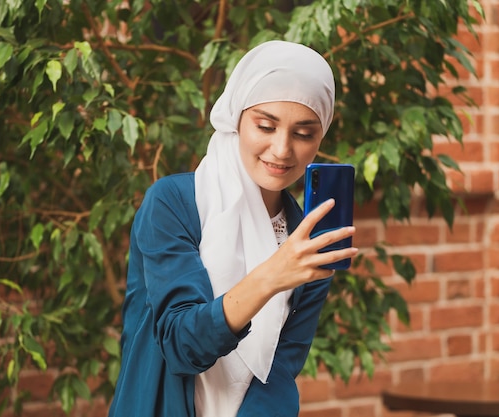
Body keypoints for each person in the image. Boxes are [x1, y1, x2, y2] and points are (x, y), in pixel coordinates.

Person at [107, 40, 358, 417]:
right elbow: (180, 344)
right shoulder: (173, 203)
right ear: (236, 119)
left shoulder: (305, 242)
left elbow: (280, 370)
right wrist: (272, 276)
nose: (281, 149)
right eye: (266, 126)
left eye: (304, 134)